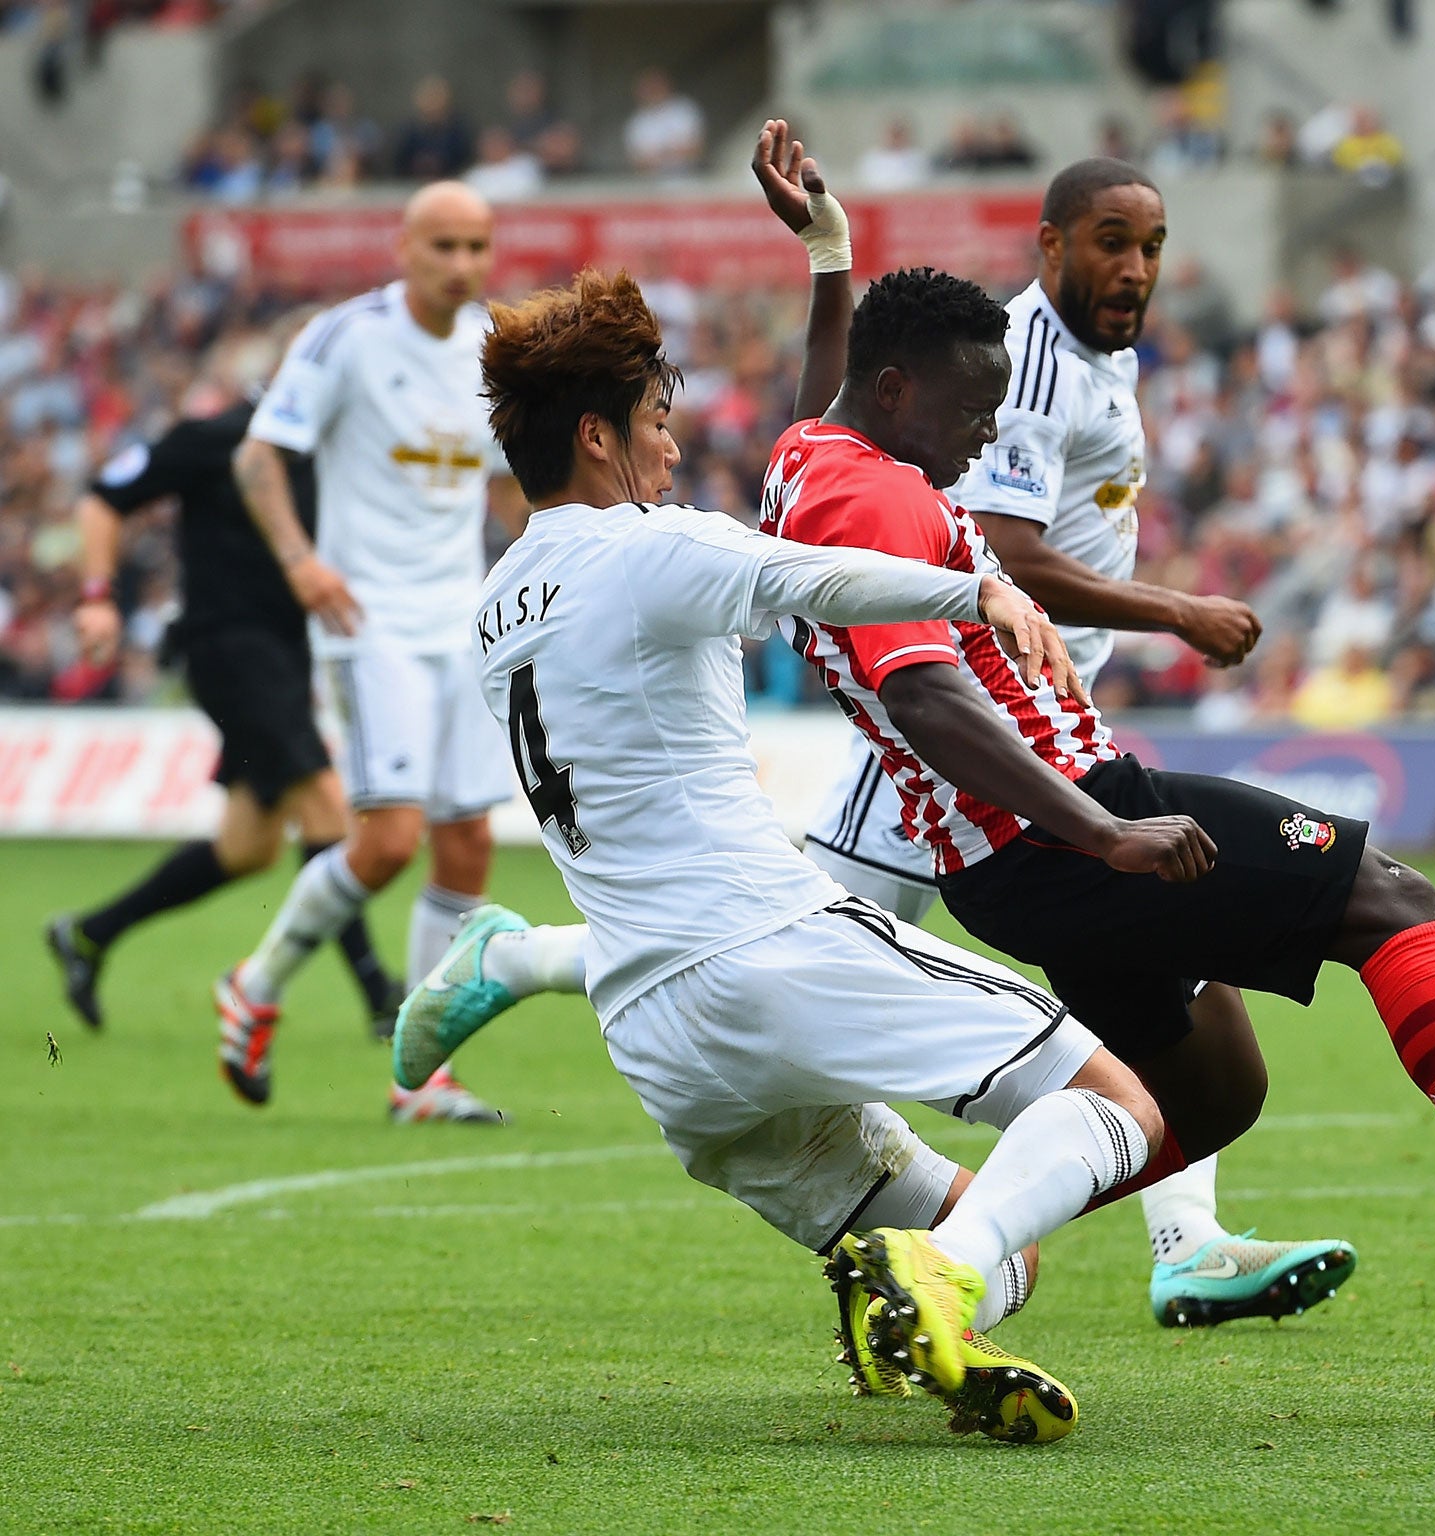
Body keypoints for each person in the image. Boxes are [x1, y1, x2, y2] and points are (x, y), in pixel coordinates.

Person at [763, 263, 1435, 1354]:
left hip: (1007, 861)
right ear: (899, 389)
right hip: (1067, 824)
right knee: (1390, 901)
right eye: (969, 410)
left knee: (1211, 1092)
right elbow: (920, 691)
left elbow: (832, 388)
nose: (983, 437)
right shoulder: (879, 495)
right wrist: (1104, 831)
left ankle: (942, 1262)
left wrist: (828, 260)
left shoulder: (810, 454)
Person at [462, 258, 1203, 1443]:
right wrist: (979, 595)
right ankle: (934, 1285)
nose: (670, 449)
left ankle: (920, 1309)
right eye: (656, 424)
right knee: (1121, 1109)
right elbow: (811, 564)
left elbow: (807, 463)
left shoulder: (498, 601)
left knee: (995, 1252)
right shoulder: (648, 548)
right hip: (764, 950)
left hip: (655, 1040)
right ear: (597, 437)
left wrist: (827, 265)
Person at [804, 157, 1357, 1331]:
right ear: (1049, 246)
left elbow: (819, 426)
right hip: (958, 752)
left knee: (1172, 966)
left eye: (1150, 246)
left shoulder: (1091, 358)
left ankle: (1181, 1240)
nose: (1135, 269)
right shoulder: (1027, 365)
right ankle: (537, 961)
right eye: (1111, 242)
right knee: (795, 971)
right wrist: (1176, 610)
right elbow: (1001, 549)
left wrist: (824, 259)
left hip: (1042, 736)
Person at [214, 181, 525, 1122]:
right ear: (404, 247)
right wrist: (302, 562)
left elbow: (511, 481)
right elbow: (258, 456)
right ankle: (256, 982)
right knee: (388, 843)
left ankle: (418, 1073)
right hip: (368, 618)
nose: (464, 264)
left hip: (458, 617)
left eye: (478, 245)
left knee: (467, 844)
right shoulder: (345, 337)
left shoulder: (494, 351)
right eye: (445, 245)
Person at [45, 358, 401, 1037]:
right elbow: (103, 499)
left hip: (285, 658)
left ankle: (88, 935)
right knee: (325, 803)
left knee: (249, 847)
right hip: (227, 648)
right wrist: (97, 599)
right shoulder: (218, 438)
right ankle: (379, 994)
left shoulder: (338, 459)